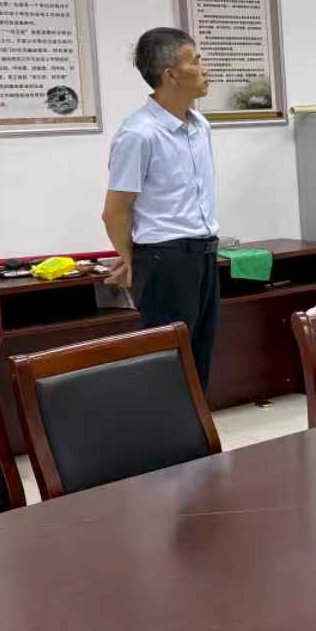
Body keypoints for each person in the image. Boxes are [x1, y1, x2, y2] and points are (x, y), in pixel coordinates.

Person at [101, 28, 221, 389]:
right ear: (171, 74)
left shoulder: (200, 126)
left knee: (199, 359)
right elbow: (115, 212)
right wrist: (133, 259)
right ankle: (165, 426)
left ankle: (196, 427)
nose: (205, 69)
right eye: (196, 60)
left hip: (204, 254)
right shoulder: (139, 134)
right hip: (165, 259)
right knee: (169, 365)